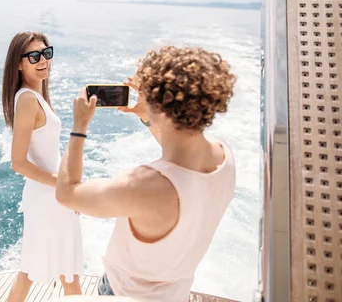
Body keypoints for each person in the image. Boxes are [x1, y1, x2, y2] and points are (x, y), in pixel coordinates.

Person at [55, 46, 237, 301]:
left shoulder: (146, 186)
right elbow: (180, 151)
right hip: (176, 293)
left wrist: (79, 126)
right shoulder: (224, 158)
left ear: (162, 108)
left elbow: (67, 193)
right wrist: (148, 116)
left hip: (123, 294)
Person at [1, 31, 83, 302]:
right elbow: (19, 162)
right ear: (19, 64)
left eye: (46, 53)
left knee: (43, 270)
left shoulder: (35, 96)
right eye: (33, 56)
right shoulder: (27, 99)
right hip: (48, 196)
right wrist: (64, 187)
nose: (43, 60)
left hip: (50, 194)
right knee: (62, 271)